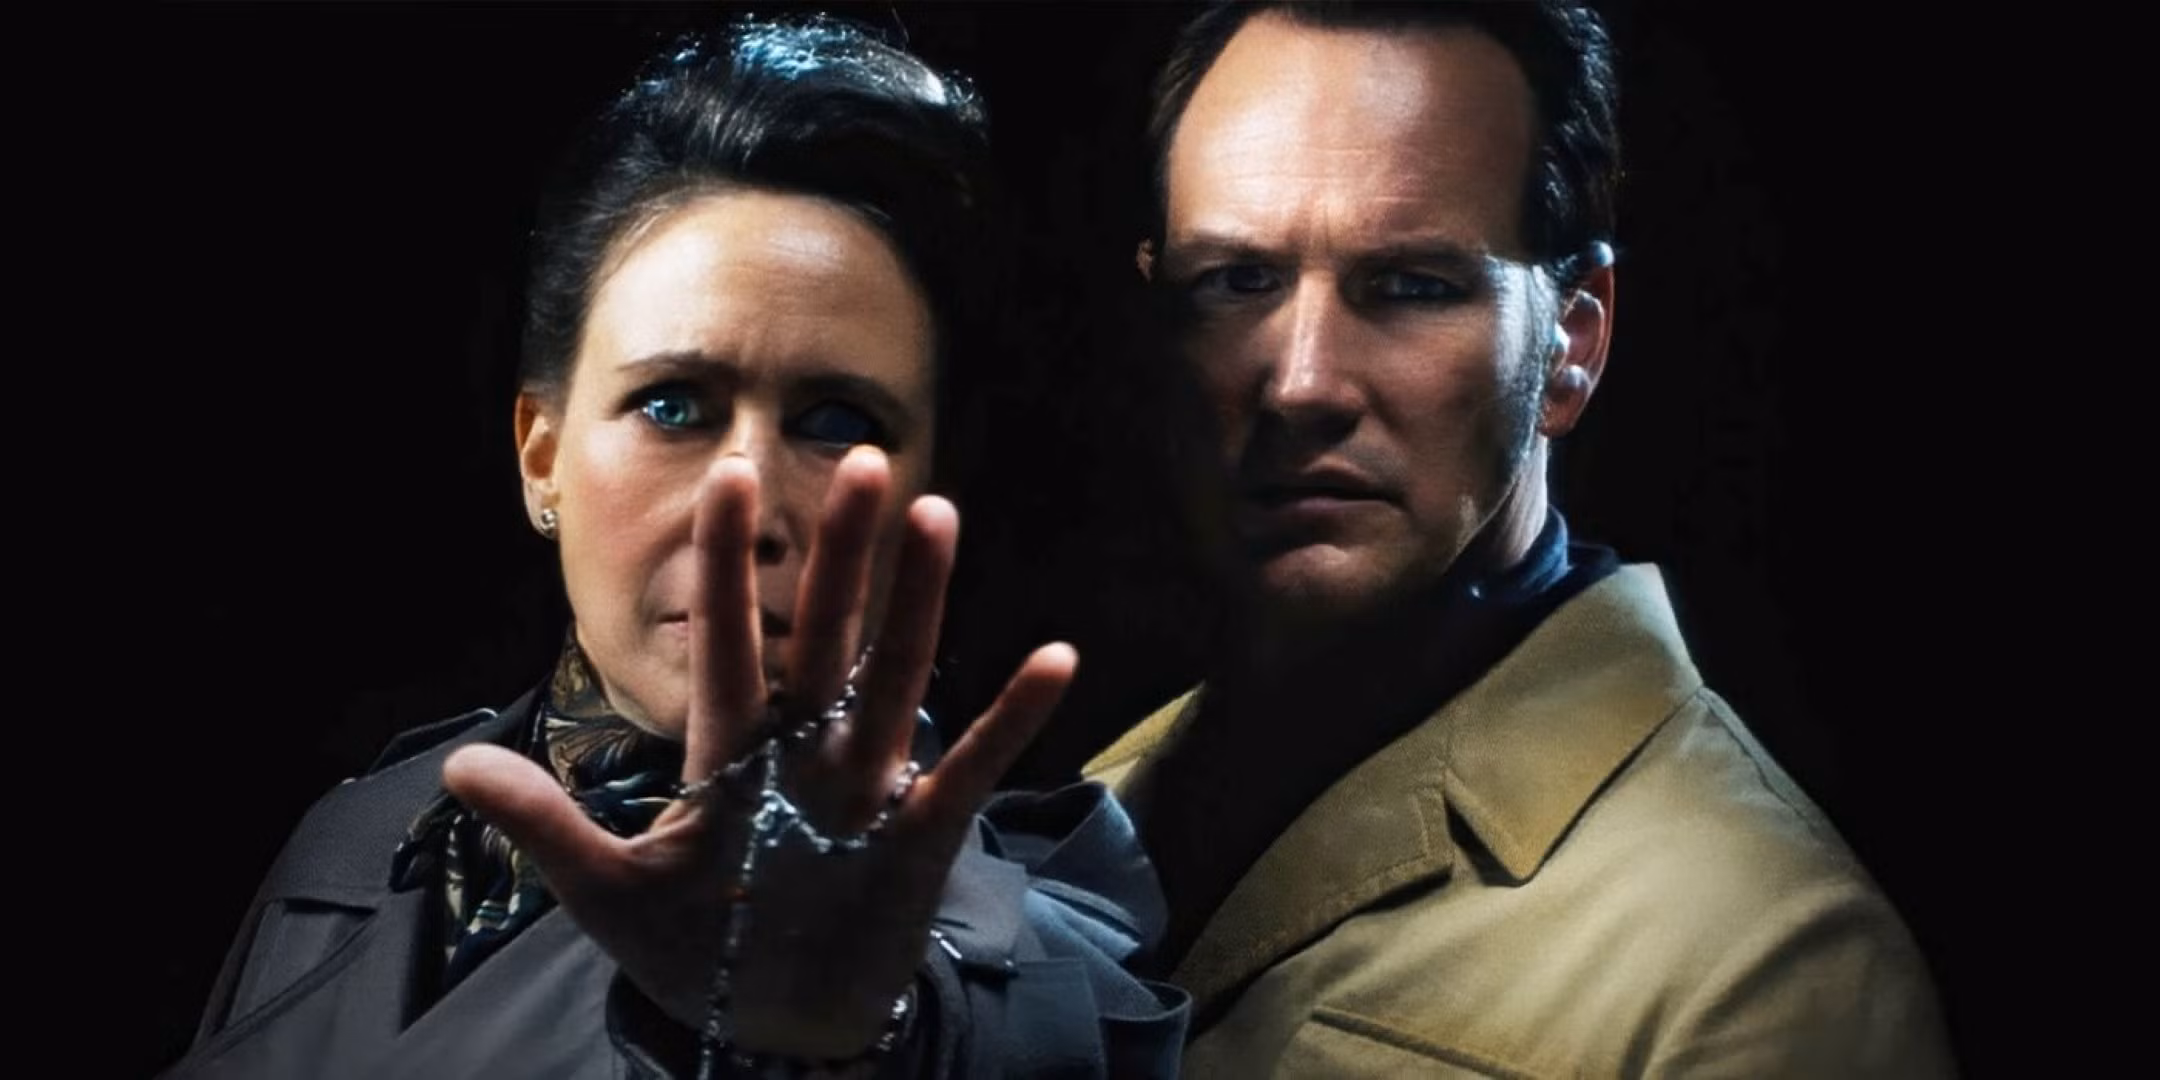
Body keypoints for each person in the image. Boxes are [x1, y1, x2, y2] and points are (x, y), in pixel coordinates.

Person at [167, 18, 1184, 1079]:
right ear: (542, 456)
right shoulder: (355, 844)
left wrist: (841, 1043)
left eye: (837, 422)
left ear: (928, 490)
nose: (744, 501)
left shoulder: (1024, 946)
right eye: (672, 405)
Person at [1084, 3, 1954, 1075]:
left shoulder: (1759, 967)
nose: (1301, 382)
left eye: (1412, 287)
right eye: (1235, 281)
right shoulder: (1092, 813)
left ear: (1572, 342)